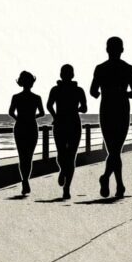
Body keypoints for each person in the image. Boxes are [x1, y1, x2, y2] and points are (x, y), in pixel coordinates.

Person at [90, 37, 132, 198]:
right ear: (122, 50)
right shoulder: (128, 68)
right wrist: (123, 92)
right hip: (122, 109)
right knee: (115, 149)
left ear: (107, 49)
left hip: (107, 109)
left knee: (113, 149)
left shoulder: (101, 68)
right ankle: (116, 184)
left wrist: (103, 92)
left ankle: (111, 181)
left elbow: (93, 91)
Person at [47, 64, 87, 199]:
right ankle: (64, 172)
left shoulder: (77, 90)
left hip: (67, 124)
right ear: (72, 75)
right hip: (66, 124)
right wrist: (75, 110)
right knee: (65, 155)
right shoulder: (57, 90)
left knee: (67, 155)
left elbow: (84, 107)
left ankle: (67, 188)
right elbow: (84, 108)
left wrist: (56, 115)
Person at [9, 71, 45, 195]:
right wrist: (32, 116)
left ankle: (24, 180)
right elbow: (42, 113)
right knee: (28, 156)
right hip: (31, 126)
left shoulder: (16, 97)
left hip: (20, 126)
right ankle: (26, 180)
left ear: (21, 83)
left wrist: (19, 118)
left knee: (21, 155)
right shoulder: (36, 98)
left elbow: (11, 112)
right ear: (31, 83)